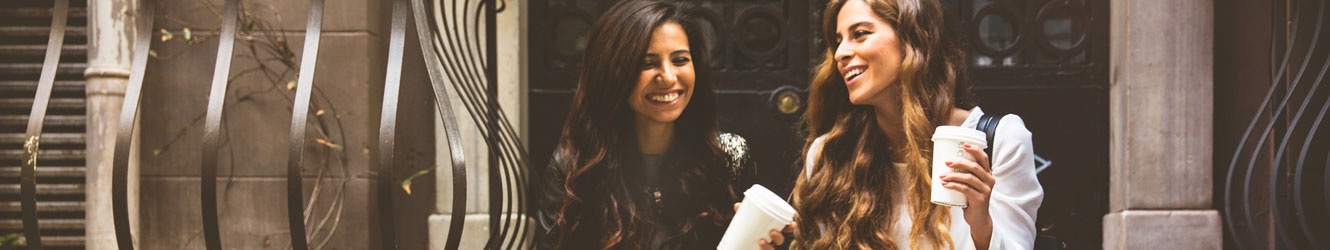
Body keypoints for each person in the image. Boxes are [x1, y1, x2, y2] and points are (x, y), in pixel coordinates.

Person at [760, 0, 1044, 249]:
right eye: (838, 40)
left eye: (860, 34)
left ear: (914, 39)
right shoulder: (830, 152)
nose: (840, 54)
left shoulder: (998, 140)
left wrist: (982, 225)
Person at [537, 1, 756, 249]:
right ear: (613, 73)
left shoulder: (728, 158)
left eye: (680, 59)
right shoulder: (576, 166)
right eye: (647, 63)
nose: (669, 77)